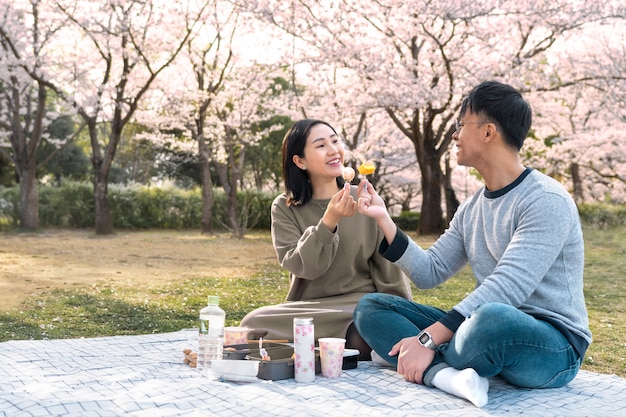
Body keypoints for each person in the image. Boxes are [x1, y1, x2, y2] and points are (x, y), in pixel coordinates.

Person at [352, 81, 591, 407]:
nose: (453, 135)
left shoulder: (545, 200)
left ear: (488, 132)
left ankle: (411, 355)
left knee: (490, 320)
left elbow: (509, 287)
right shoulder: (472, 207)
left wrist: (426, 338)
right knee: (372, 307)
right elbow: (429, 272)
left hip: (553, 346)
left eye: (460, 125)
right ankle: (442, 374)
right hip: (480, 330)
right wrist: (384, 220)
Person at [241, 119, 412, 359]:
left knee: (366, 323)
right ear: (300, 161)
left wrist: (400, 312)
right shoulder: (284, 206)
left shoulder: (363, 198)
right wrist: (328, 221)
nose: (333, 150)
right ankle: (356, 346)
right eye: (321, 145)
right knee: (252, 323)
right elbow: (304, 267)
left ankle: (343, 343)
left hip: (361, 305)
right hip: (311, 308)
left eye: (335, 141)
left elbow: (388, 266)